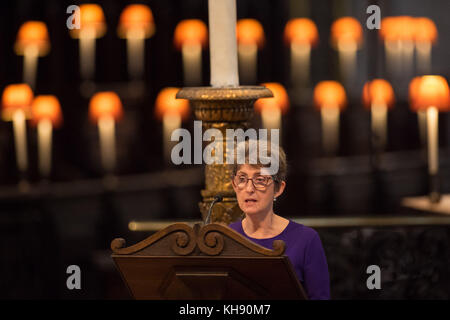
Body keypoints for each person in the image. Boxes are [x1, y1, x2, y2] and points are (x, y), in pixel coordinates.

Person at [228, 139, 330, 300]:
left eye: (260, 180)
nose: (249, 189)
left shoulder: (306, 239)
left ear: (278, 188)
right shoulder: (227, 237)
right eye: (242, 179)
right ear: (234, 185)